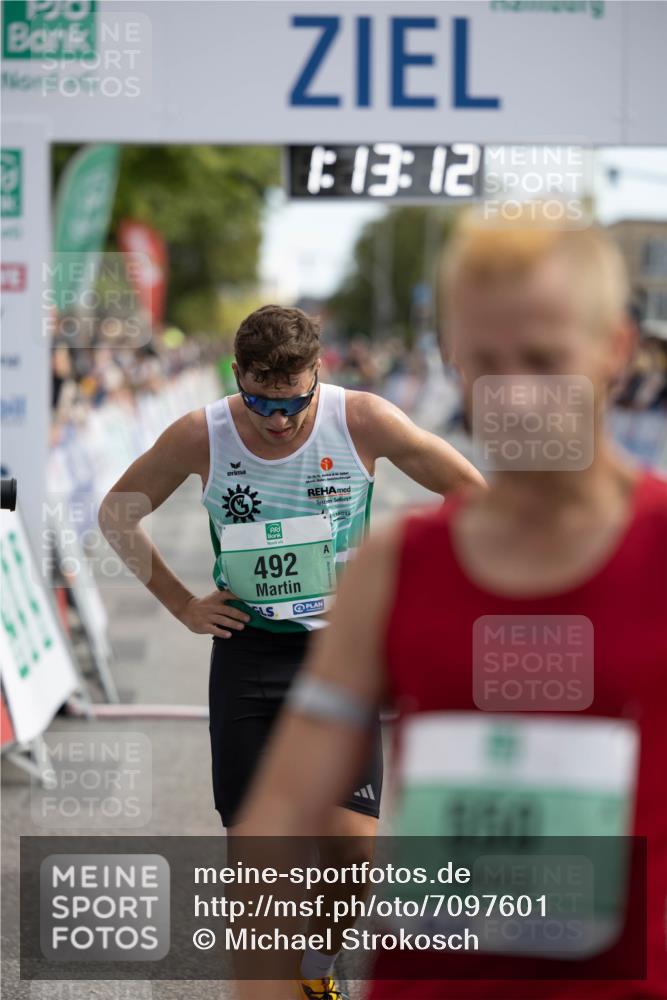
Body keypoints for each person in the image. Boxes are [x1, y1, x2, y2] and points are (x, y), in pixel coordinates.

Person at [237, 217, 667, 999]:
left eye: (543, 360)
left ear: (614, 347)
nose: (514, 397)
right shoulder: (397, 568)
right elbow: (281, 814)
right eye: (483, 364)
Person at [98, 304, 484, 1000]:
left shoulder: (361, 419)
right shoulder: (202, 434)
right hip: (248, 655)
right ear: (237, 376)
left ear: (318, 375)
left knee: (351, 859)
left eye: (293, 403)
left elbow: (474, 496)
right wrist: (182, 604)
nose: (277, 420)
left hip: (341, 659)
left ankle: (315, 973)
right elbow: (115, 512)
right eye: (259, 402)